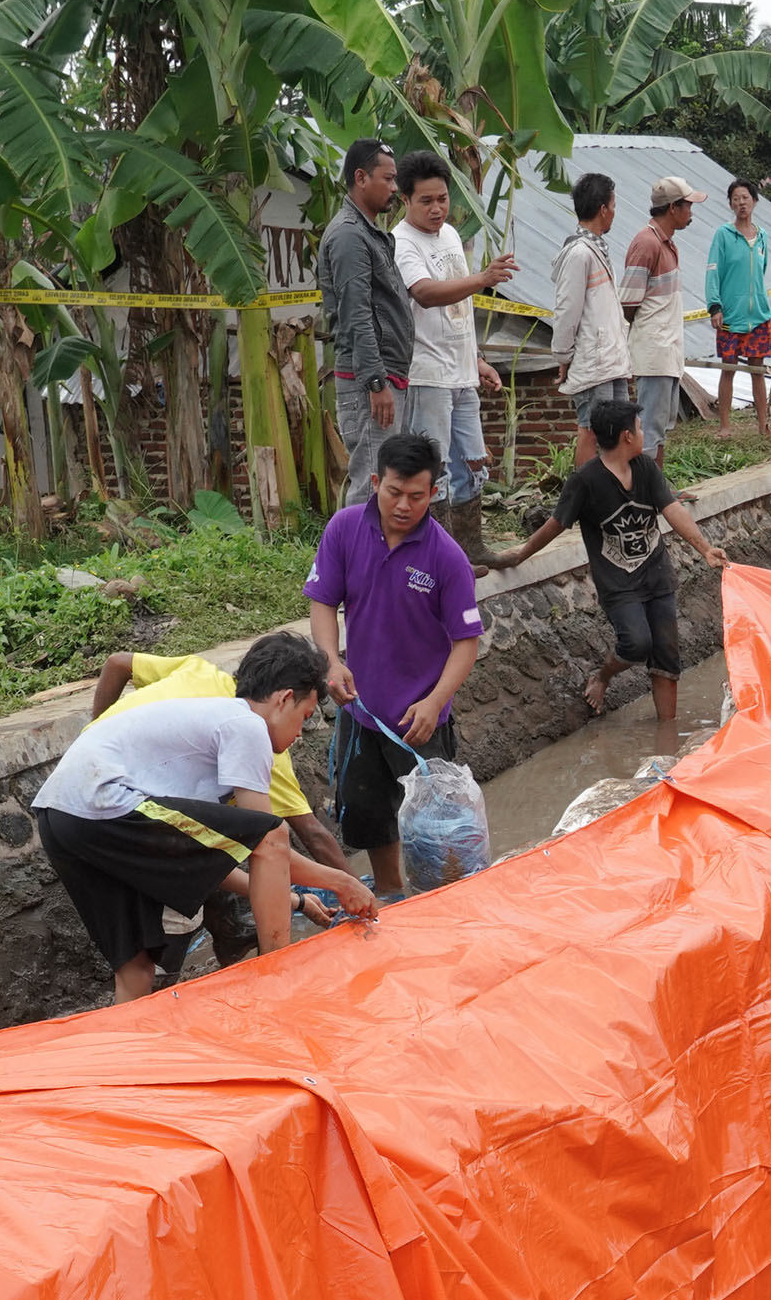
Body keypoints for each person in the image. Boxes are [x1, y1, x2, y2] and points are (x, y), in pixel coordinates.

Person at [34, 631, 375, 1004]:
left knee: (136, 972)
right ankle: (280, 975)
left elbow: (215, 858)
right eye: (305, 717)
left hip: (61, 814)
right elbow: (266, 842)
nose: (298, 734)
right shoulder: (245, 725)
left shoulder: (198, 741)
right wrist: (342, 882)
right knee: (270, 832)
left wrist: (296, 900)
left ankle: (126, 1057)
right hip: (104, 802)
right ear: (284, 699)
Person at [298, 429, 483, 898]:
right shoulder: (344, 528)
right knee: (369, 815)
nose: (403, 505)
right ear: (376, 481)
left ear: (433, 493)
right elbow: (322, 601)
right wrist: (331, 661)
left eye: (416, 496)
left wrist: (435, 701)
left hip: (419, 718)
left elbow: (466, 642)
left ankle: (442, 904)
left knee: (435, 827)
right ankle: (389, 896)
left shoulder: (447, 558)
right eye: (394, 492)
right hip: (361, 711)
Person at [490, 395, 727, 753]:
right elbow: (557, 524)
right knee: (636, 643)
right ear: (626, 436)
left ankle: (667, 742)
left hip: (657, 573)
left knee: (666, 654)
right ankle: (602, 676)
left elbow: (672, 509)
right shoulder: (585, 481)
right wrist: (521, 553)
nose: (643, 432)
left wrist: (705, 548)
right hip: (619, 582)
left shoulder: (646, 469)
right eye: (639, 427)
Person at [389, 154, 513, 512]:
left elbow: (459, 309)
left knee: (474, 463)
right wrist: (484, 279)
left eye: (442, 199)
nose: (436, 208)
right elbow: (425, 293)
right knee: (434, 468)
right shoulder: (402, 242)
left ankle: (470, 549)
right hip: (427, 374)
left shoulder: (452, 235)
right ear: (406, 200)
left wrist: (477, 360)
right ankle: (436, 554)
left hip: (462, 372)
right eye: (426, 201)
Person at [314, 136, 414, 507]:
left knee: (384, 478)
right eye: (387, 179)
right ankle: (352, 564)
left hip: (384, 375)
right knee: (372, 482)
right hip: (369, 380)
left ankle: (375, 563)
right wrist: (376, 382)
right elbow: (356, 316)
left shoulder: (369, 233)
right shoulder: (350, 237)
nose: (394, 187)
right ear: (360, 177)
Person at [548, 172, 630, 452]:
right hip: (594, 360)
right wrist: (563, 355)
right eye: (614, 205)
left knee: (618, 429)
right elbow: (566, 310)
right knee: (592, 429)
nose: (615, 212)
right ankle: (587, 495)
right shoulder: (579, 253)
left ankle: (614, 493)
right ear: (603, 210)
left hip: (610, 359)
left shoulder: (597, 248)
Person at [620, 176, 696, 459]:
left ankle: (658, 493)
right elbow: (628, 302)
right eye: (687, 205)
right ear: (673, 208)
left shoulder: (666, 244)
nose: (691, 212)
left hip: (667, 352)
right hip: (654, 353)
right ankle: (647, 495)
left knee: (660, 428)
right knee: (650, 430)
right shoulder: (647, 244)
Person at [707, 176, 771, 438]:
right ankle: (725, 426)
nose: (741, 203)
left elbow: (762, 269)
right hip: (730, 316)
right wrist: (715, 306)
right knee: (729, 369)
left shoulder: (762, 237)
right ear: (730, 205)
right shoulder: (723, 235)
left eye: (745, 198)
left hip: (757, 315)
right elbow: (713, 271)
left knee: (758, 371)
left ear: (755, 201)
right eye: (736, 199)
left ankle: (763, 426)